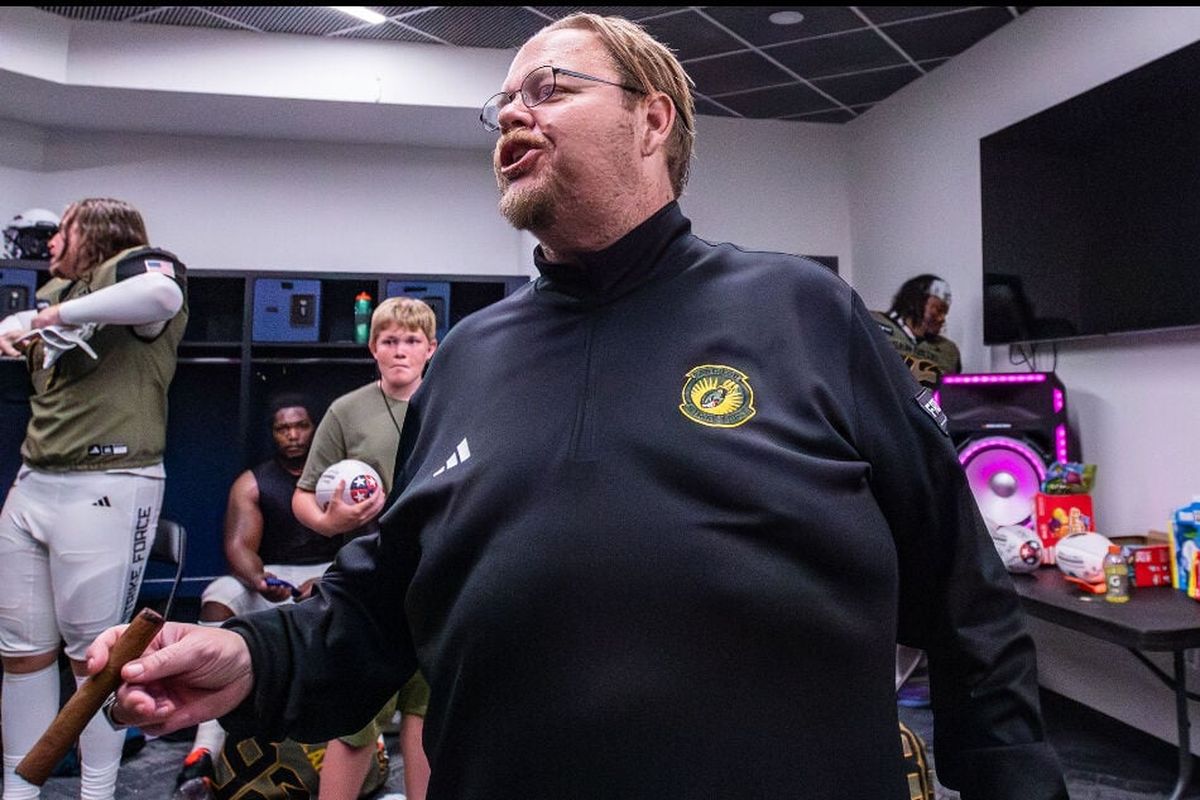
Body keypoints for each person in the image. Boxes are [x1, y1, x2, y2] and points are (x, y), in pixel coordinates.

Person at [91, 14, 1068, 799]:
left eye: (550, 88)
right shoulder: (467, 360)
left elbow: (963, 591)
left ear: (653, 120)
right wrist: (248, 656)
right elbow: (381, 605)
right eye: (503, 102)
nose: (513, 115)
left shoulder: (802, 311)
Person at [0, 197, 187, 800]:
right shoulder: (61, 293)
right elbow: (26, 330)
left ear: (98, 232)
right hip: (35, 480)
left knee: (97, 658)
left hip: (110, 481)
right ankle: (18, 789)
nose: (51, 240)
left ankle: (97, 791)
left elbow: (160, 295)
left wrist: (48, 317)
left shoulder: (136, 270)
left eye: (64, 229)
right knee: (22, 653)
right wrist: (25, 325)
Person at [290, 296, 437, 800]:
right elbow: (303, 495)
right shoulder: (347, 411)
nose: (400, 350)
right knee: (355, 717)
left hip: (434, 577)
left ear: (430, 348)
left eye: (412, 340)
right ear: (373, 347)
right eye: (389, 340)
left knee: (425, 714)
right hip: (370, 577)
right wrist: (330, 522)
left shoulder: (450, 402)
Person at [170, 395, 343, 799]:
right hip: (273, 573)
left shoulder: (337, 477)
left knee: (341, 604)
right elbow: (238, 548)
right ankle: (202, 753)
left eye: (301, 426)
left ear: (315, 428)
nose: (294, 435)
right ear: (273, 434)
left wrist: (327, 580)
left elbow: (362, 542)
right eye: (284, 428)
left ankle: (356, 747)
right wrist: (259, 579)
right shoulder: (253, 481)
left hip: (329, 572)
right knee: (219, 595)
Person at [870, 274, 962, 389]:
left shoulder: (948, 350)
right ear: (916, 302)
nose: (942, 318)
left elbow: (953, 394)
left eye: (945, 312)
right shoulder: (872, 323)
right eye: (938, 310)